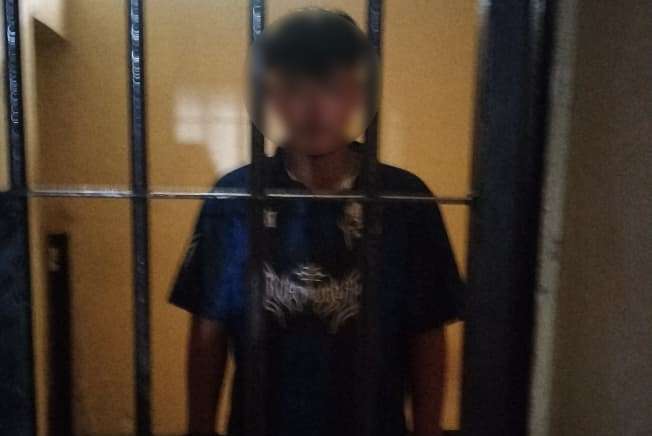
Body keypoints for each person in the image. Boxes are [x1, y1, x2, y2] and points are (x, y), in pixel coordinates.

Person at [170, 8, 464, 436]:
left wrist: (428, 431)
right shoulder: (235, 198)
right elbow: (207, 330)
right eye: (294, 87)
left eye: (330, 86)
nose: (313, 106)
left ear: (357, 95)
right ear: (273, 97)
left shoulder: (404, 200)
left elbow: (427, 334)